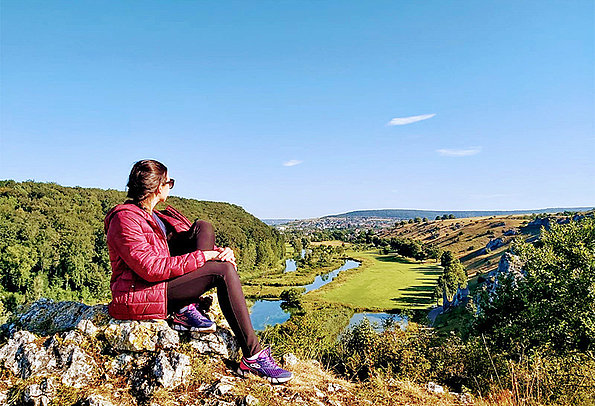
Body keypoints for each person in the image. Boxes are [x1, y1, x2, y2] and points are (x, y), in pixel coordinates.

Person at [104, 159, 293, 384]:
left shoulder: (156, 217)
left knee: (204, 226)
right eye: (169, 182)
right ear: (157, 187)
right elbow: (150, 269)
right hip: (141, 294)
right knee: (222, 272)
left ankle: (186, 306)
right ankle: (253, 357)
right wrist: (205, 258)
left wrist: (219, 252)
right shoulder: (125, 219)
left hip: (161, 286)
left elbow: (184, 247)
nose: (170, 187)